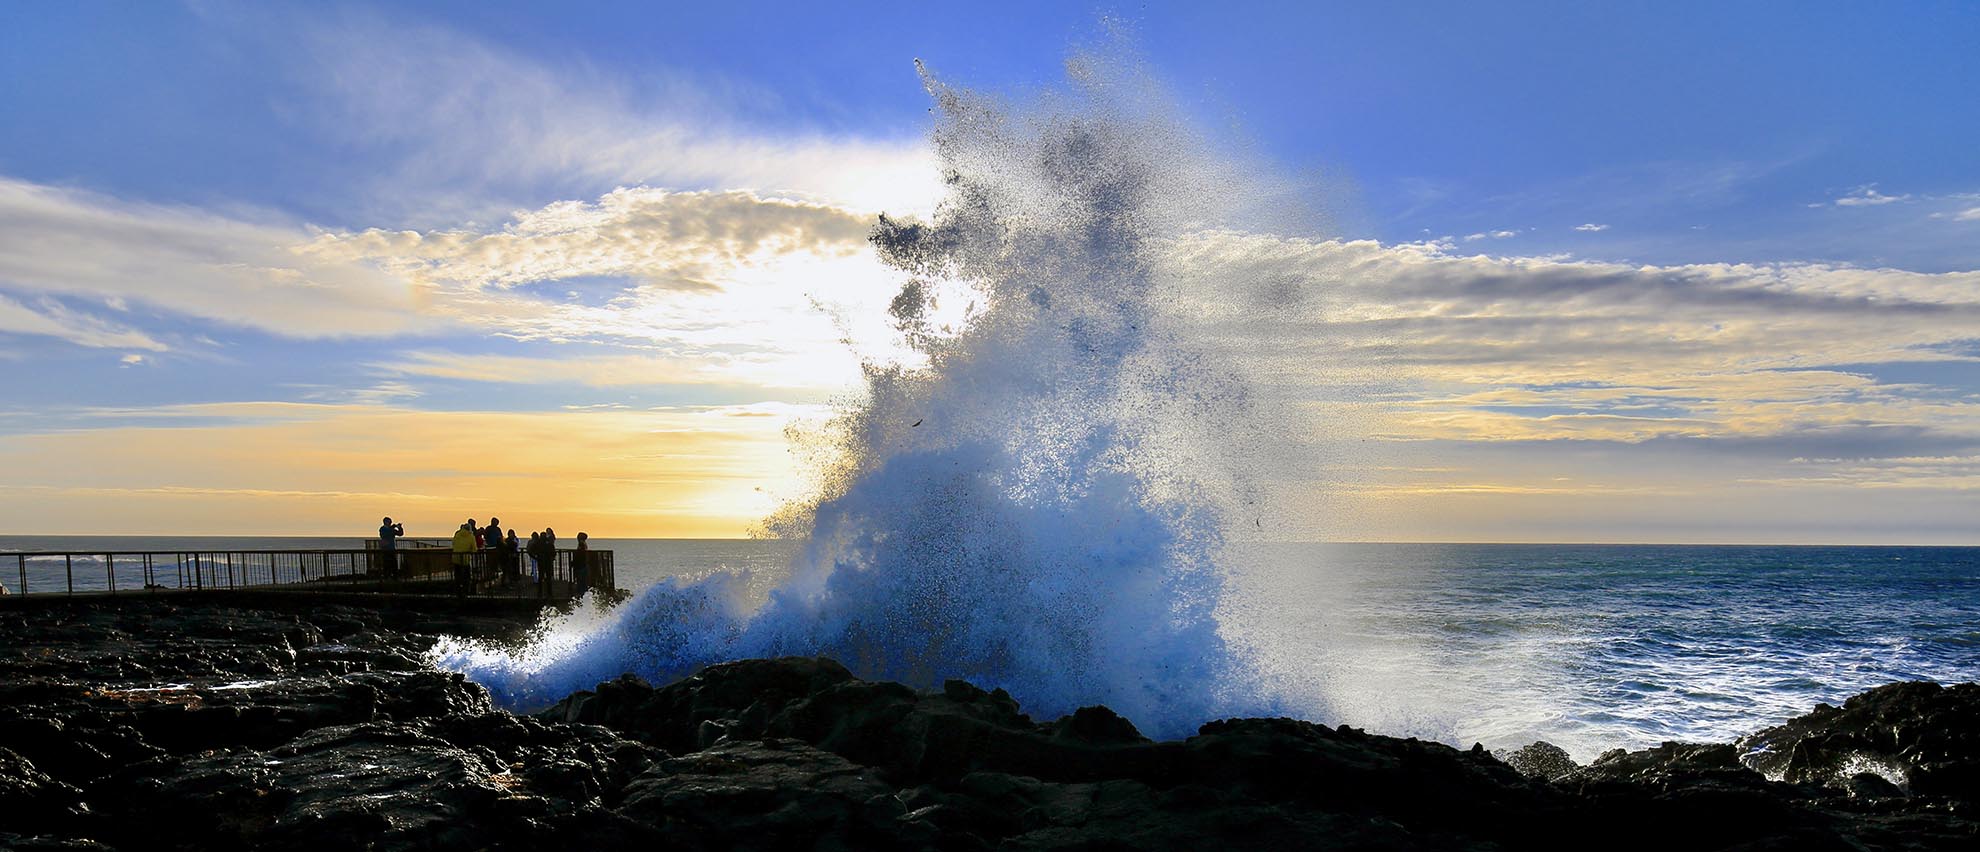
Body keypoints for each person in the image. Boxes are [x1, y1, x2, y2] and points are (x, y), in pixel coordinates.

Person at [452, 520, 477, 596]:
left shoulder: (457, 534)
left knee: (457, 576)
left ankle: (457, 591)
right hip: (465, 559)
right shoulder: (471, 536)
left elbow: (453, 544)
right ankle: (466, 591)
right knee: (467, 576)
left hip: (455, 557)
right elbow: (474, 549)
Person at [574, 532, 592, 598]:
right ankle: (584, 595)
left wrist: (574, 562)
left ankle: (581, 595)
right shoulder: (584, 544)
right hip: (582, 565)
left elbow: (579, 555)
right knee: (583, 581)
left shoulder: (581, 545)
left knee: (581, 581)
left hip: (580, 566)